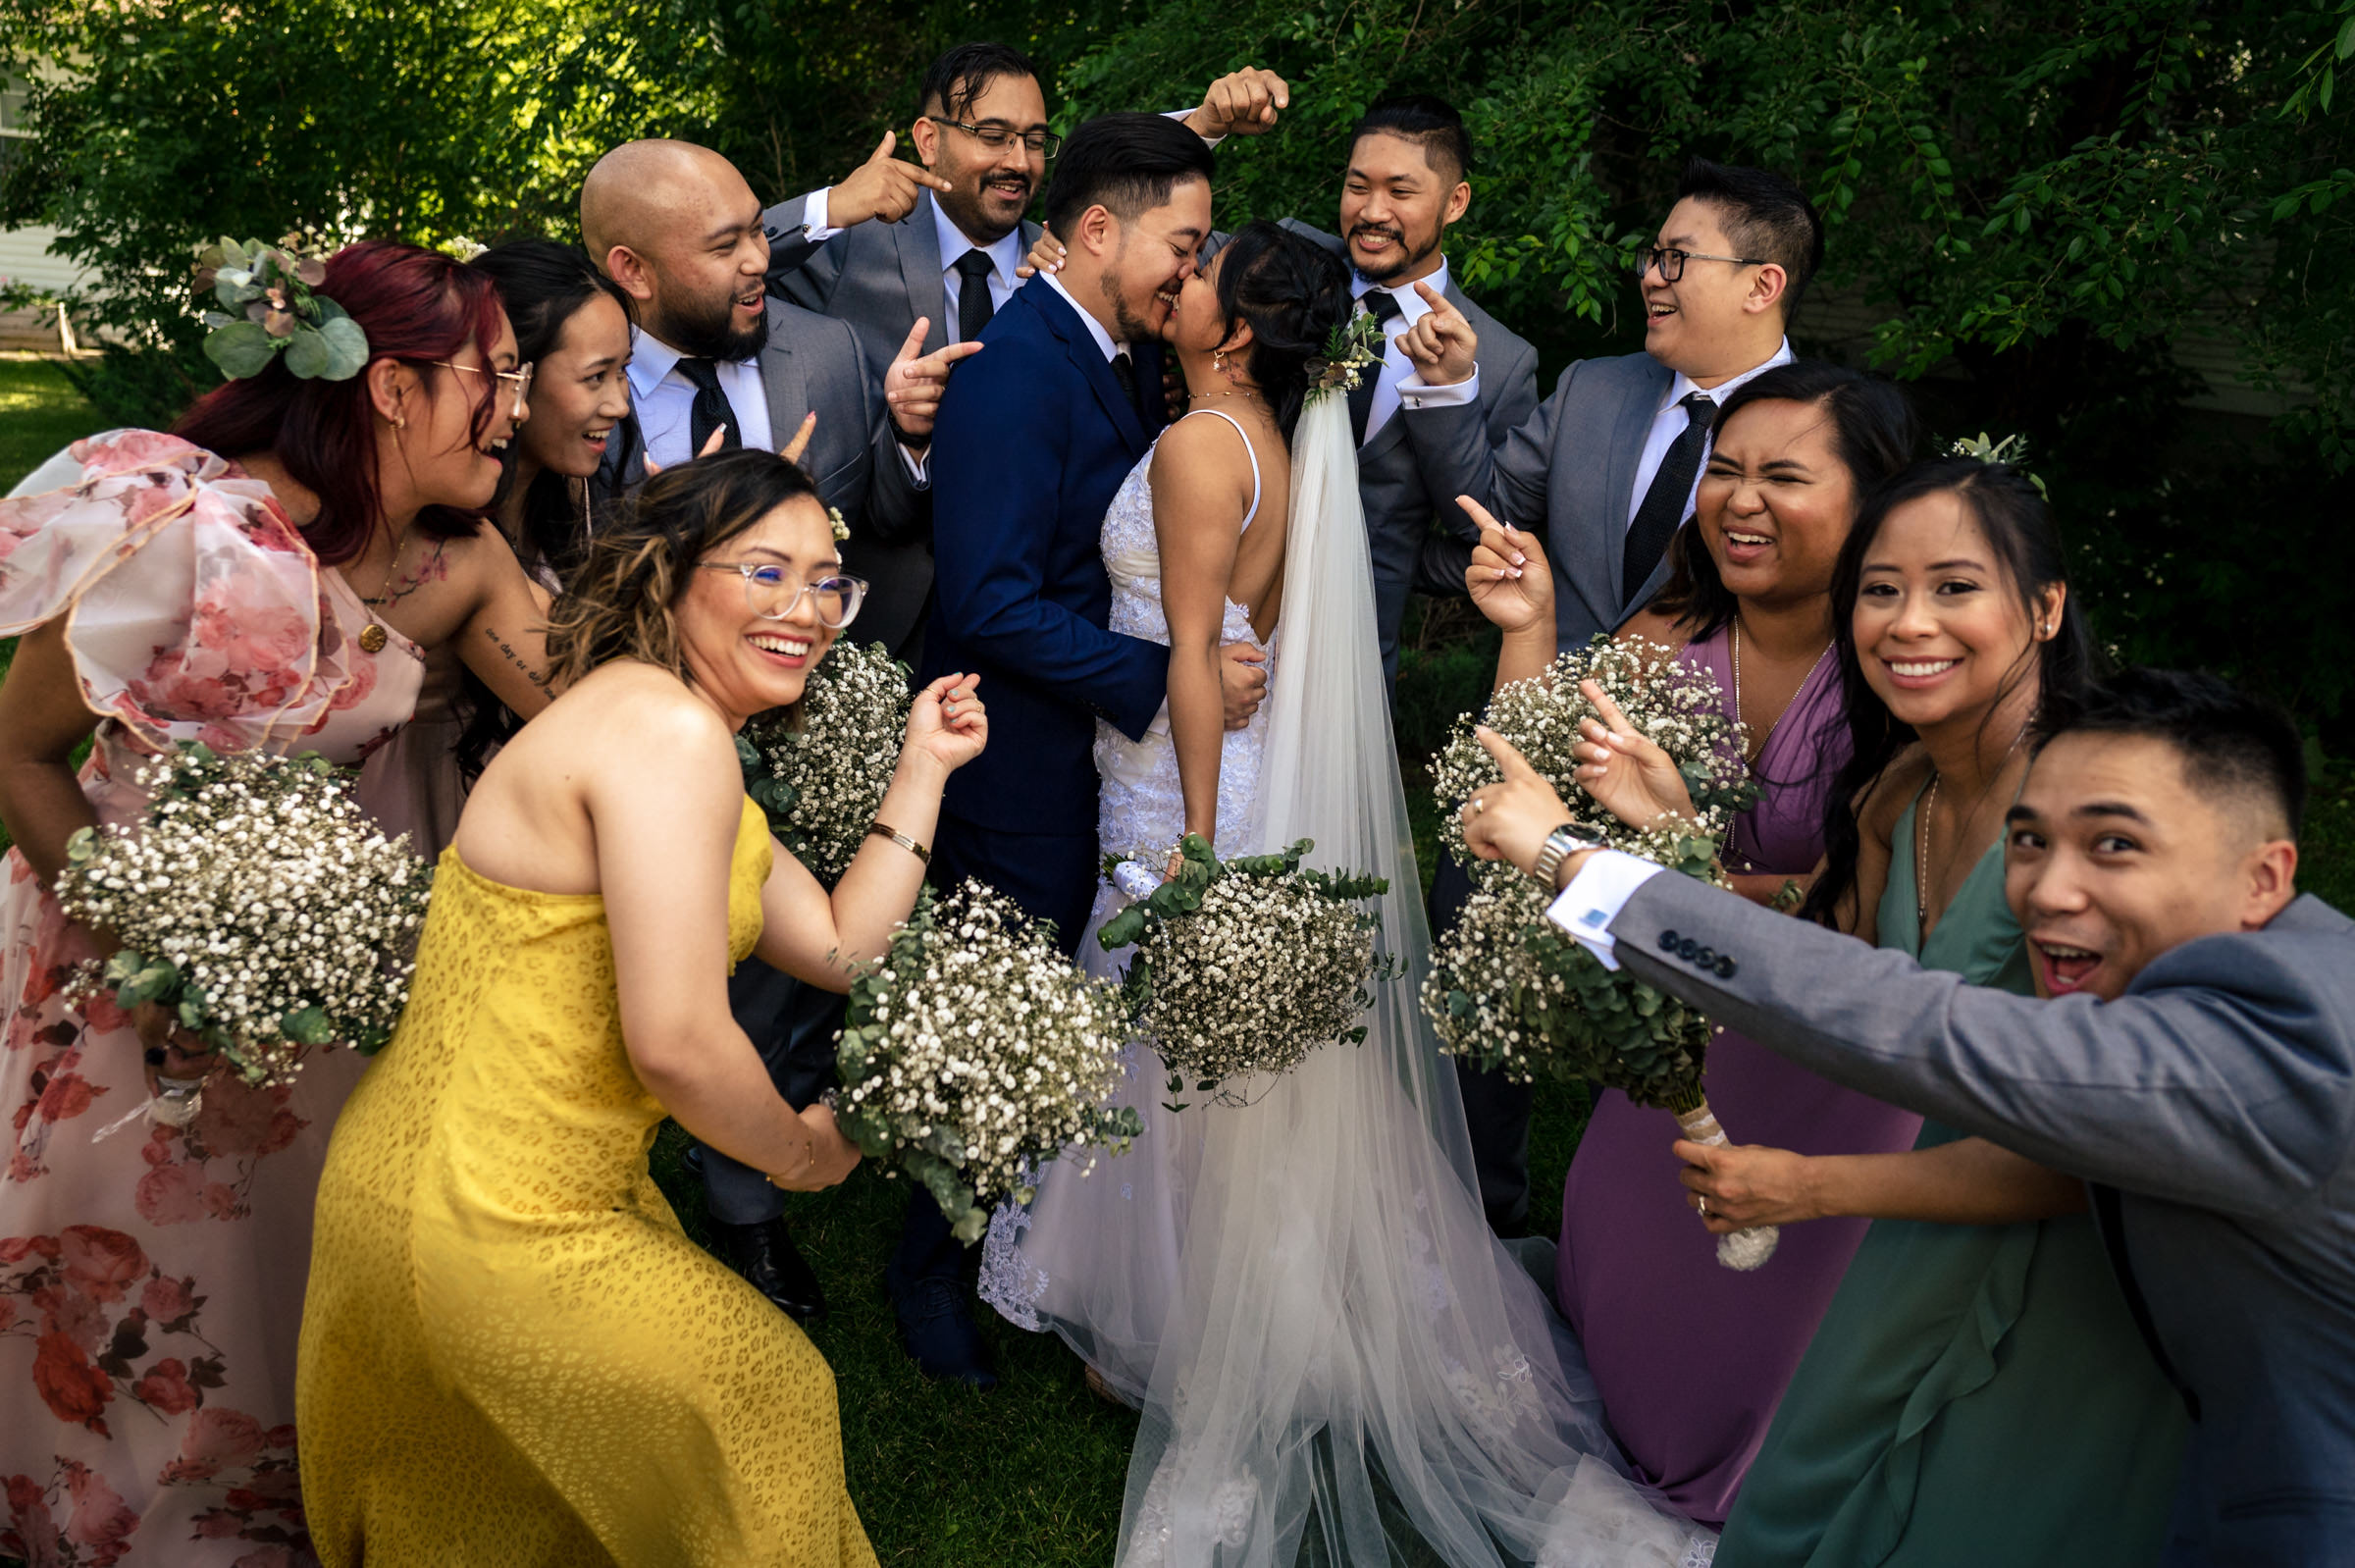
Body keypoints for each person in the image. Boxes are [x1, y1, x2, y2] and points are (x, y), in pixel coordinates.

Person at [1468, 666, 2353, 1568]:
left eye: (2114, 846)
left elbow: (1915, 1027)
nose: (2049, 891)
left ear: (2262, 877)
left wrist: (1575, 862)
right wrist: (1812, 1185)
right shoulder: (2279, 979)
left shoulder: (2279, 1053)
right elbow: (2068, 1154)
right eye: (2031, 842)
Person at [1478, 458, 2193, 1563]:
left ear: (2047, 607)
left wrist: (1812, 1186)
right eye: (1880, 588)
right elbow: (1808, 981)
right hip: (1915, 1239)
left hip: (2046, 1273)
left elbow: (2093, 1150)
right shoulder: (1901, 791)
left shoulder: (2093, 826)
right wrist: (1667, 831)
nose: (1909, 623)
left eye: (1956, 587)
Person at [295, 448, 988, 1565]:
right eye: (767, 571)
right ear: (666, 577)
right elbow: (674, 1040)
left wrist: (925, 763)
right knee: (766, 1397)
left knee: (510, 1519)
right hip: (489, 1217)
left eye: (828, 583)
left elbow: (846, 945)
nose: (807, 610)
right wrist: (804, 1154)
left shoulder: (658, 727)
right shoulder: (668, 739)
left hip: (422, 1189)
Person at [0, 238, 553, 1564]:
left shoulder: (457, 562)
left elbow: (605, 725)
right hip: (117, 982)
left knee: (293, 1279)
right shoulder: (170, 531)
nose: (522, 405)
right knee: (124, 1283)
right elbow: (22, 755)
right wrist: (157, 948)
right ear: (392, 388)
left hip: (320, 990)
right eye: (501, 374)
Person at [1463, 361, 1926, 1522]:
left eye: (1784, 474)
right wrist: (1529, 632)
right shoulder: (1672, 624)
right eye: (1724, 470)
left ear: (1874, 501)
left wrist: (1672, 848)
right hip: (1674, 1048)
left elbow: (1866, 922)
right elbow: (1521, 793)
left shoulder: (1902, 663)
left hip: (1829, 1072)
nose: (1740, 499)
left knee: (1758, 1347)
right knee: (1629, 1293)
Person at [579, 136, 972, 1327]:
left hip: (832, 713)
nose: (763, 261)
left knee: (799, 969)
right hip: (648, 744)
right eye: (728, 244)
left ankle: (763, 1172)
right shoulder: (580, 390)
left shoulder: (827, 350)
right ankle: (706, 1193)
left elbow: (884, 519)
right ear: (631, 273)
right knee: (682, 979)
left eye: (764, 229)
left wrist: (903, 440)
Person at [1401, 156, 1819, 1236]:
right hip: (1530, 724)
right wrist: (1450, 395)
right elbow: (1491, 516)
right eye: (1650, 254)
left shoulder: (1821, 433)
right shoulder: (1597, 386)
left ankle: (1619, 1235)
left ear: (1763, 283)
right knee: (1477, 983)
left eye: (1677, 257)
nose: (1651, 276)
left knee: (1646, 1021)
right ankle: (1472, 1218)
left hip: (1687, 779)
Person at [901, 111, 1231, 1389]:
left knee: (1044, 1015)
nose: (1188, 276)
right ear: (1100, 229)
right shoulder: (1018, 367)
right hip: (1012, 766)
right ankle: (928, 1271)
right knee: (992, 1020)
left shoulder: (1110, 350)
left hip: (1079, 756)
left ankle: (1017, 1240)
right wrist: (1167, 677)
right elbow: (985, 599)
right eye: (1181, 246)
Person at [762, 42, 1292, 663]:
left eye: (1036, 139)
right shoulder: (855, 242)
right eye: (993, 135)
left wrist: (1199, 127)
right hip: (889, 616)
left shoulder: (1074, 262)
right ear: (928, 141)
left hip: (1054, 629)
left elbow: (1181, 236)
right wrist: (833, 207)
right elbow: (716, 261)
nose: (1019, 161)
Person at [1025, 94, 1543, 683]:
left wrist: (1391, 551)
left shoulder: (1498, 360)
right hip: (1215, 636)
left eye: (1401, 192)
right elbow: (1137, 240)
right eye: (1357, 186)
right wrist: (1199, 133)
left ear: (1456, 202)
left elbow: (1497, 539)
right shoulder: (1278, 260)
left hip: (1347, 666)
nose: (1373, 211)